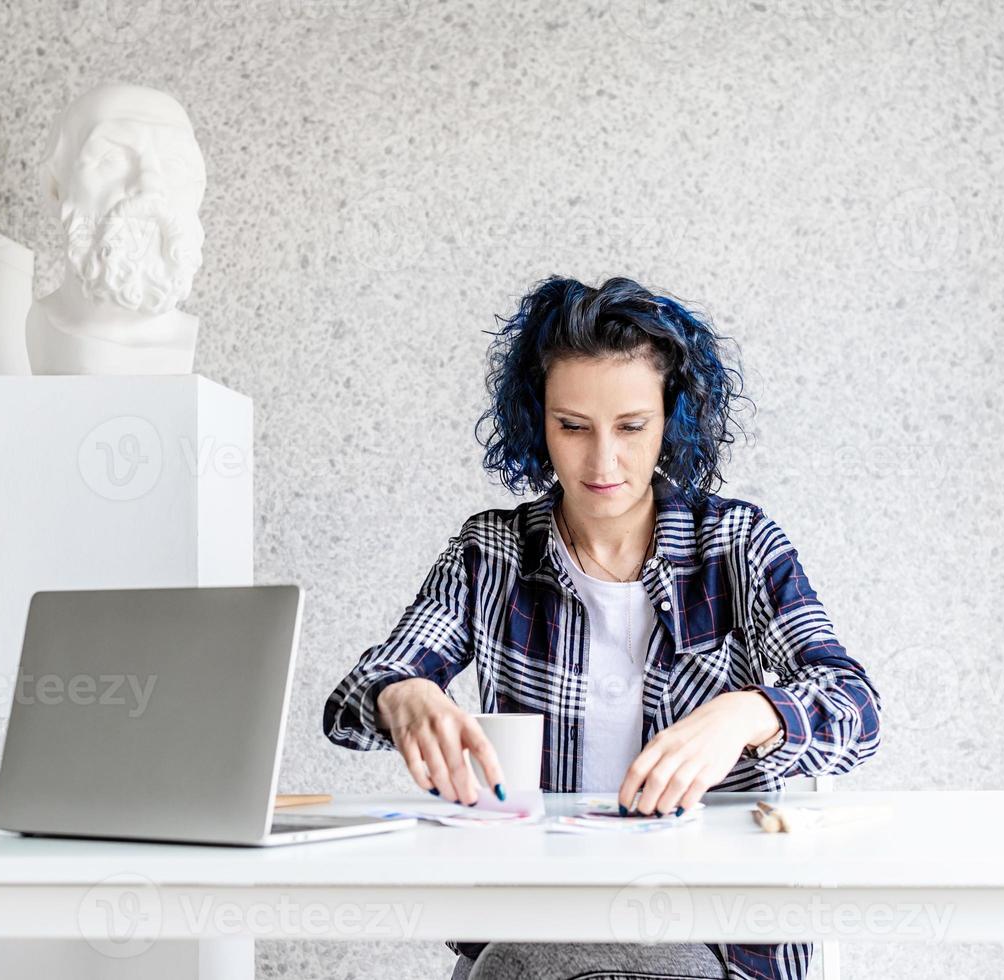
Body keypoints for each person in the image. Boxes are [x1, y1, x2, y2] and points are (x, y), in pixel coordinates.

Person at [322, 275, 884, 980]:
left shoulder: (736, 544)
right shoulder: (492, 551)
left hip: (713, 936)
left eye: (630, 427)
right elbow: (356, 696)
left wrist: (750, 713)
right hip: (532, 921)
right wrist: (400, 695)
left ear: (670, 419)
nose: (603, 463)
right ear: (538, 422)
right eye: (572, 427)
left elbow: (855, 708)